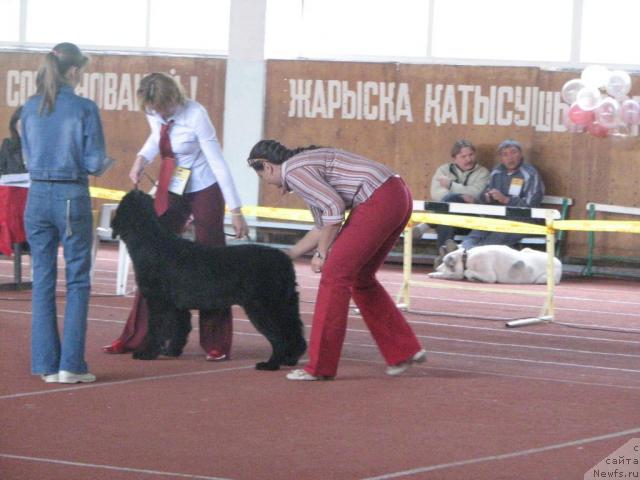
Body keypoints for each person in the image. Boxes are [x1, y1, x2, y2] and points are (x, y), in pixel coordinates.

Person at [247, 140, 426, 381]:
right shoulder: (304, 166)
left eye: (261, 177)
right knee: (361, 279)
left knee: (334, 277)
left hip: (378, 199)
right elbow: (322, 226)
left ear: (267, 167)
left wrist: (322, 255)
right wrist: (289, 255)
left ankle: (320, 367)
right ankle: (404, 350)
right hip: (397, 193)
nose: (266, 183)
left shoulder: (294, 171)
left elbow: (333, 208)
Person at [102, 72, 249, 361]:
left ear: (173, 98)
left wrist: (236, 209)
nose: (157, 113)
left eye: (162, 107)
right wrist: (140, 158)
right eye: (152, 109)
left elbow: (217, 161)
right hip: (173, 183)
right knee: (152, 259)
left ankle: (216, 342)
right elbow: (156, 139)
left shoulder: (196, 115)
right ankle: (137, 335)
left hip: (204, 185)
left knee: (212, 260)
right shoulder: (152, 111)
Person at [21, 42, 111, 384]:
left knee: (42, 280)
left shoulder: (30, 108)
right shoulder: (84, 107)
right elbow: (94, 160)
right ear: (73, 71)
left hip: (37, 196)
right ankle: (71, 364)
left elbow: (28, 155)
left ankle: (45, 364)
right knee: (77, 280)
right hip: (71, 195)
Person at [413, 139, 490, 266]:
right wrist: (460, 196)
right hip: (449, 219)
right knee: (446, 217)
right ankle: (442, 258)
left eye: (471, 155)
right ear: (454, 158)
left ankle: (426, 226)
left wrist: (451, 185)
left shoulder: (483, 173)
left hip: (471, 221)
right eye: (463, 156)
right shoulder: (443, 170)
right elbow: (436, 193)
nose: (468, 159)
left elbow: (476, 193)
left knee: (447, 206)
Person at [460, 139, 545, 250]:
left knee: (492, 241)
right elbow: (485, 195)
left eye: (513, 152)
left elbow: (531, 206)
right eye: (505, 154)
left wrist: (506, 200)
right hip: (498, 216)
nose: (510, 157)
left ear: (520, 154)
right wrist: (486, 197)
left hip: (524, 220)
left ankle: (471, 256)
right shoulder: (497, 172)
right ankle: (460, 251)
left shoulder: (530, 173)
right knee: (476, 233)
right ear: (501, 158)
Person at [0, 106, 27, 176]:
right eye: (20, 127)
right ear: (15, 127)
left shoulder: (41, 148)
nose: (23, 131)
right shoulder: (8, 144)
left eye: (26, 127)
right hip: (12, 186)